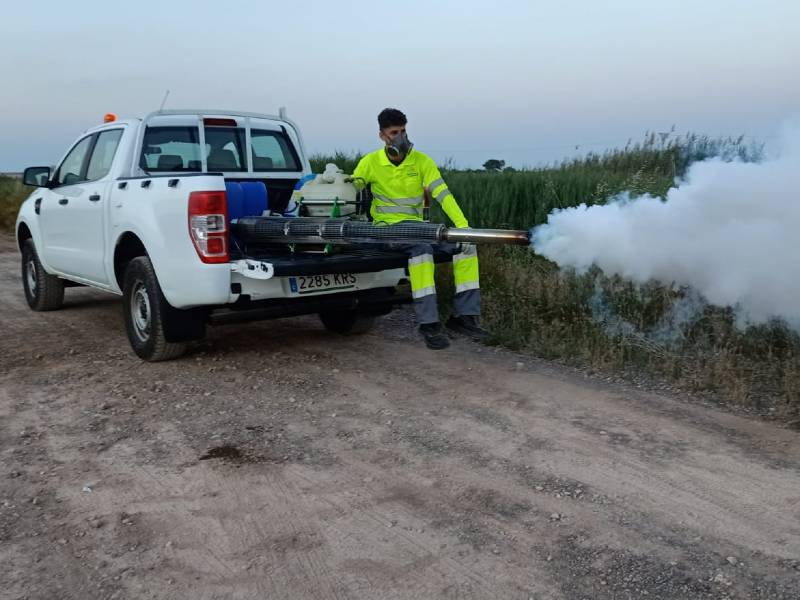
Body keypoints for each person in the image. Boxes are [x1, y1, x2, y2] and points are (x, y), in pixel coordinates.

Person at [351, 108, 489, 349]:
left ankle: (464, 317)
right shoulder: (370, 163)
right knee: (422, 249)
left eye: (403, 131)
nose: (400, 137)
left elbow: (443, 195)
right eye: (394, 132)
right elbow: (350, 191)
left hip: (416, 227)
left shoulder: (422, 161)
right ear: (382, 135)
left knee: (466, 246)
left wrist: (463, 227)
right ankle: (429, 324)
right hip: (386, 231)